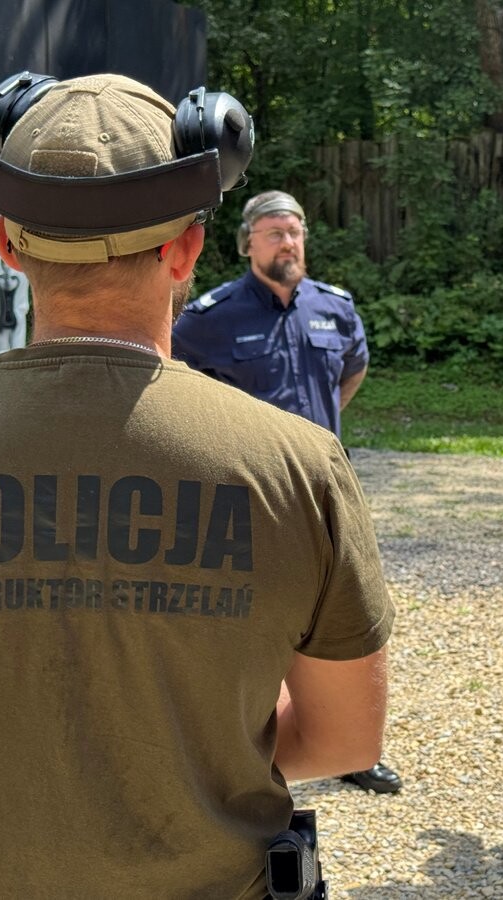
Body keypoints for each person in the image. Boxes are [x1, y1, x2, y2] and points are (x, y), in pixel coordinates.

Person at [0, 73, 393, 898]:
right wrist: (190, 739)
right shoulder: (301, 466)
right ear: (186, 248)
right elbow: (346, 739)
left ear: (6, 243)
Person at [174, 190, 402, 795]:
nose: (287, 243)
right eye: (274, 233)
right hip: (245, 495)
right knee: (249, 619)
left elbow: (351, 372)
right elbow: (171, 386)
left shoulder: (334, 307)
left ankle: (346, 749)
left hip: (324, 493)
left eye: (295, 232)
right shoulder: (208, 318)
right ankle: (246, 743)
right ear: (247, 242)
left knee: (335, 617)